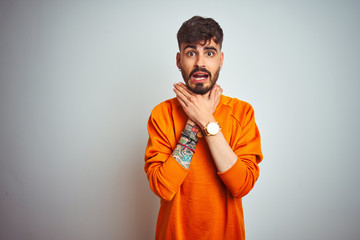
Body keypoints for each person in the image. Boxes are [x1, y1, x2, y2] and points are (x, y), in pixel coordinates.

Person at [144, 16, 263, 240]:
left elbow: (242, 186)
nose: (200, 62)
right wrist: (194, 121)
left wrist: (207, 121)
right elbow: (162, 187)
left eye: (209, 52)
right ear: (179, 60)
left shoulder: (242, 112)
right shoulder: (161, 115)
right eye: (191, 53)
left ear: (221, 59)